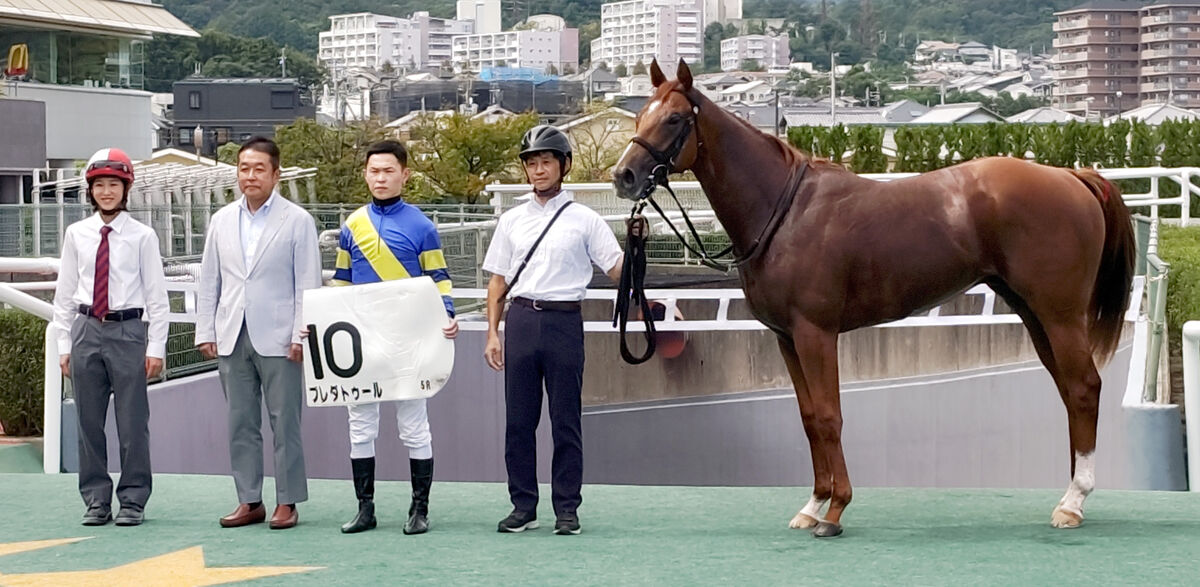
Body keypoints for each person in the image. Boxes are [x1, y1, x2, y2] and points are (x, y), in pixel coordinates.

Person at [483, 125, 627, 535]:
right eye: (531, 163)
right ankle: (523, 506)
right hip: (522, 319)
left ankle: (567, 508)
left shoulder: (585, 219)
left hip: (565, 320)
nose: (538, 170)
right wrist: (494, 333)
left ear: (563, 166)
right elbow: (497, 281)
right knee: (518, 421)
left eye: (546, 161)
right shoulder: (511, 220)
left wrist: (643, 280)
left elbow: (616, 268)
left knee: (566, 420)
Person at [331, 140, 459, 535]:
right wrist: (322, 324)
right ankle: (365, 508)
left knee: (413, 425)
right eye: (374, 171)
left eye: (389, 171)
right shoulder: (351, 225)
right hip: (364, 341)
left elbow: (439, 278)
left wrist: (449, 315)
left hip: (409, 341)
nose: (381, 178)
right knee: (361, 425)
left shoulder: (422, 225)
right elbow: (341, 281)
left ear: (405, 175)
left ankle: (419, 510)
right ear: (365, 174)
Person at [195, 136, 322, 530]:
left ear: (276, 174)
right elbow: (210, 280)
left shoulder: (297, 220)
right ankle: (249, 499)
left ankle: (288, 501)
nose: (250, 176)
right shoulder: (221, 220)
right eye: (244, 169)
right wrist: (205, 329)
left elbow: (308, 283)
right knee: (240, 421)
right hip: (232, 331)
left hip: (282, 336)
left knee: (285, 422)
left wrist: (302, 334)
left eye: (258, 169)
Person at [52, 147, 169, 527]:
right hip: (86, 328)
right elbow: (65, 292)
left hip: (128, 330)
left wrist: (156, 347)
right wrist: (64, 345)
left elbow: (157, 296)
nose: (106, 192)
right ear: (90, 191)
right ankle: (96, 499)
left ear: (126, 189)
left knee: (132, 422)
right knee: (88, 421)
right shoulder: (77, 234)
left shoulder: (142, 236)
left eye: (113, 185)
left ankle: (133, 499)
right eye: (99, 185)